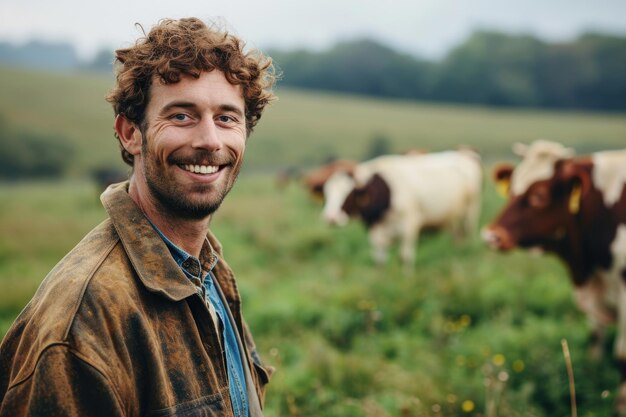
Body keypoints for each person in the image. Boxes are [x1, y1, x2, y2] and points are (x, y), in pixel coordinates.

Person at [0, 17, 276, 417]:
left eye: (227, 118)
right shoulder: (81, 325)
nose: (210, 141)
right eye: (182, 115)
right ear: (131, 133)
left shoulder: (207, 268)